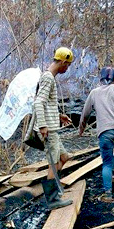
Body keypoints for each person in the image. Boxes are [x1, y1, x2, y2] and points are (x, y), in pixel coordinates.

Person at [79, 66, 114, 203]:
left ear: (100, 78)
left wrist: (81, 129)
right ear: (113, 78)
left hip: (104, 132)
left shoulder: (94, 93)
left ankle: (108, 194)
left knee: (106, 163)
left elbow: (85, 113)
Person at [34, 47, 74, 209]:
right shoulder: (48, 78)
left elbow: (47, 103)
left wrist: (59, 116)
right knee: (53, 162)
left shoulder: (49, 77)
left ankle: (55, 190)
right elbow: (39, 102)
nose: (67, 68)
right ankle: (52, 199)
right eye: (68, 65)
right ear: (63, 62)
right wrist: (43, 126)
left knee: (64, 158)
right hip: (48, 130)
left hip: (53, 128)